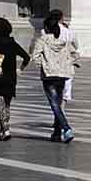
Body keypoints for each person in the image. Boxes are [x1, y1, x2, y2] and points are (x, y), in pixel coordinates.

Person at [31, 10, 78, 142]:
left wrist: (43, 65)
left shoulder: (43, 40)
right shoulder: (64, 41)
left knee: (54, 104)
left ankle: (66, 128)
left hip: (49, 74)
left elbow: (35, 56)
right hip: (62, 74)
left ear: (46, 28)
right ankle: (57, 133)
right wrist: (67, 62)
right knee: (58, 101)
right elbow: (75, 54)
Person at [0, 15, 31, 140]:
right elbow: (26, 57)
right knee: (6, 105)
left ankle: (6, 129)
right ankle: (3, 129)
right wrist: (20, 69)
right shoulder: (12, 43)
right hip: (10, 78)